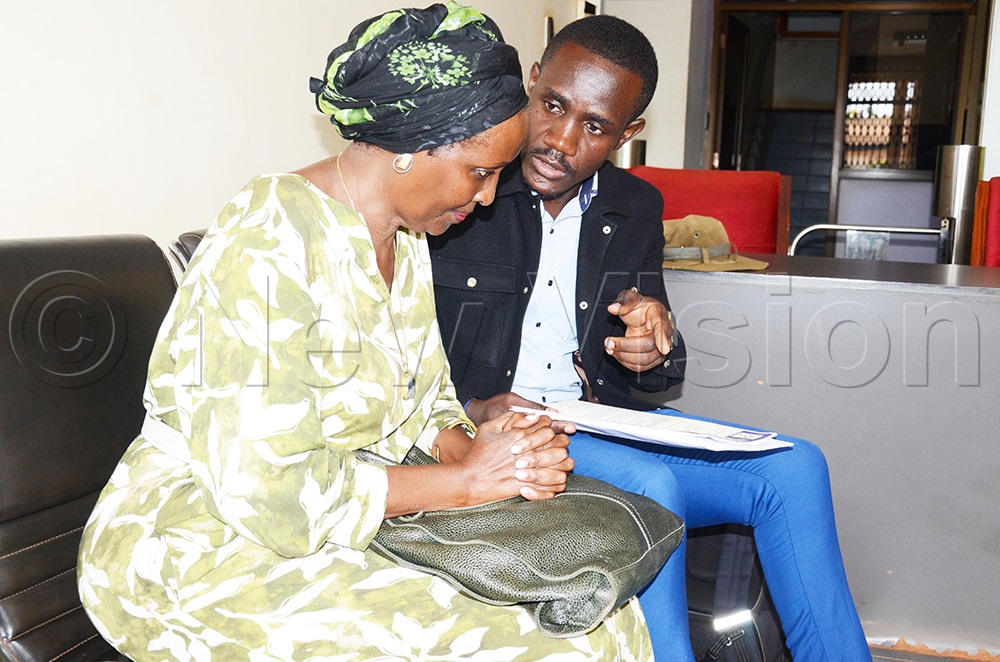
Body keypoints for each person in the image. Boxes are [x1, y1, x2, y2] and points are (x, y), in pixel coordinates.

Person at [77, 5, 657, 660]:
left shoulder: (406, 242)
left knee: (604, 620)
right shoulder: (271, 232)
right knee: (527, 646)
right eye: (479, 171)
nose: (490, 197)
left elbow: (428, 404)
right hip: (197, 545)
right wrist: (465, 484)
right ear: (414, 147)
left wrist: (482, 450)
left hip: (342, 521)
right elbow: (269, 493)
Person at [428, 14, 873, 662]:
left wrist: (656, 343)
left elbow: (655, 377)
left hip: (602, 422)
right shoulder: (470, 188)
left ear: (627, 132)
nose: (560, 139)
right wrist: (475, 407)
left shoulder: (633, 206)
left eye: (595, 126)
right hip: (509, 433)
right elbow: (411, 358)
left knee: (796, 468)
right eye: (553, 105)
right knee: (653, 487)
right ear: (532, 82)